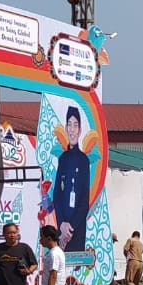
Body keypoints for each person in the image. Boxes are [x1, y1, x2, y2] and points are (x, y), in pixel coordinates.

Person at [52, 106, 91, 252]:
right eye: (69, 124)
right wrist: (62, 223)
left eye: (75, 125)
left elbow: (84, 202)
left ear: (79, 130)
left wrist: (70, 228)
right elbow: (57, 194)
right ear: (66, 128)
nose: (72, 129)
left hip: (76, 230)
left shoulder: (84, 160)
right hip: (61, 230)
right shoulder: (62, 159)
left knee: (75, 264)